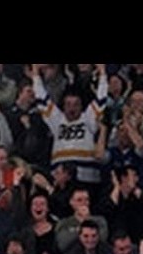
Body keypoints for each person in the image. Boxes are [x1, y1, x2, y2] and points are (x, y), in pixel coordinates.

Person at [30, 63, 108, 201]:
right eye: (68, 104)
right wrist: (35, 73)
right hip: (60, 181)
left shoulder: (88, 118)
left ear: (82, 106)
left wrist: (102, 72)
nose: (72, 108)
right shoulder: (57, 120)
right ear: (63, 106)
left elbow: (101, 99)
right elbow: (41, 98)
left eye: (76, 104)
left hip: (87, 181)